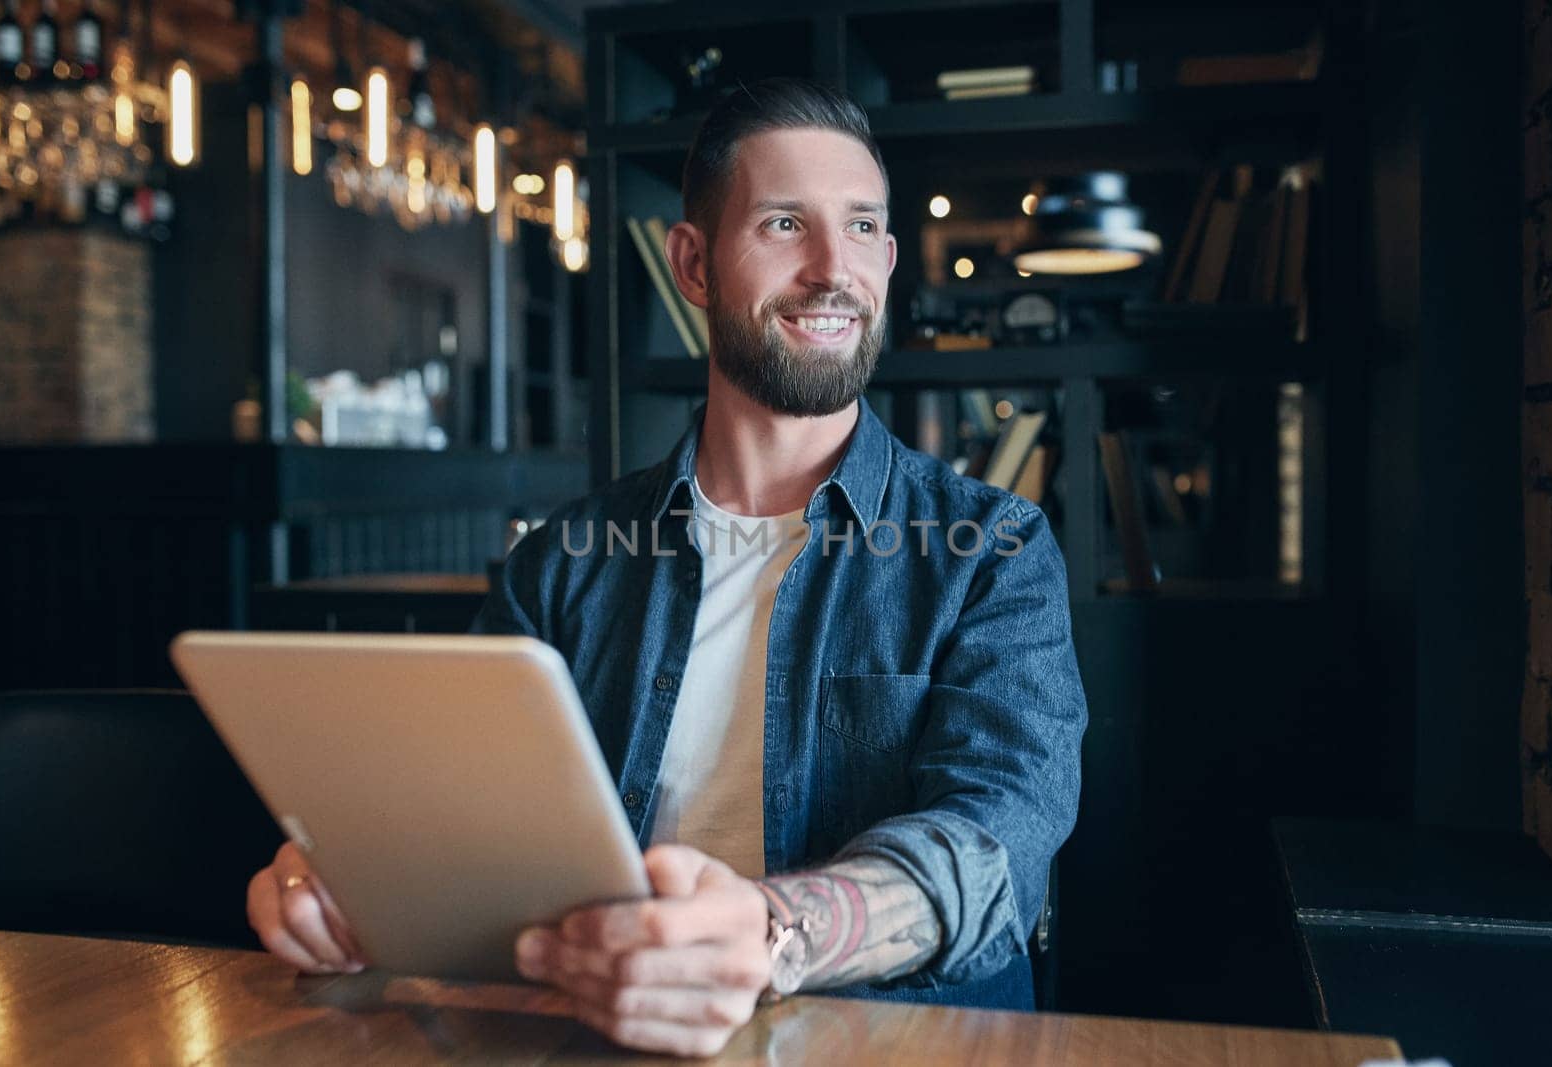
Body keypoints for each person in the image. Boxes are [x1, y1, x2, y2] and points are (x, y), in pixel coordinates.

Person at [246, 77, 1087, 1057]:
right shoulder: (561, 562)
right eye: (784, 224)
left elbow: (992, 845)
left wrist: (774, 932)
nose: (833, 268)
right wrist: (350, 874)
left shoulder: (992, 550)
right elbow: (461, 819)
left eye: (861, 228)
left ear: (889, 258)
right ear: (692, 262)